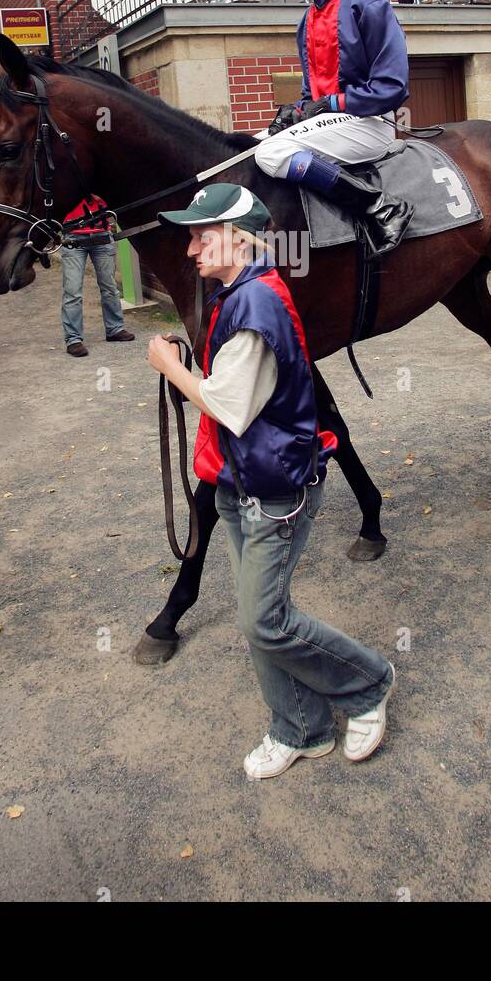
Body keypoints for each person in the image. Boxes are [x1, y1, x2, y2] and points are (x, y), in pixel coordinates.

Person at [147, 183, 396, 779]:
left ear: (236, 237)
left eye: (201, 236)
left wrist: (171, 367)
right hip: (242, 479)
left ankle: (367, 684)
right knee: (259, 613)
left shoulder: (254, 304)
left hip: (275, 488)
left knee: (264, 620)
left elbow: (227, 404)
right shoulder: (238, 292)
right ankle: (300, 729)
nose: (190, 249)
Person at [253, 0, 412, 257]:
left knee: (273, 152)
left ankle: (381, 207)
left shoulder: (369, 6)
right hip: (330, 124)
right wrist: (296, 110)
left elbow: (393, 87)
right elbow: (314, 94)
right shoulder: (306, 20)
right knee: (248, 147)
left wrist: (332, 103)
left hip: (370, 124)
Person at [61, 194, 134, 356]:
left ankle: (115, 328)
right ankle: (73, 339)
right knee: (72, 291)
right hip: (73, 235)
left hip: (101, 233)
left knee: (109, 286)